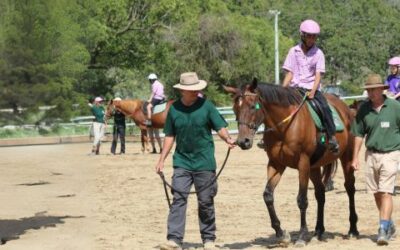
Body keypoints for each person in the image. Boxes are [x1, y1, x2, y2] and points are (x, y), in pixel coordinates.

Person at [155, 72, 236, 250]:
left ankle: (208, 239)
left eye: (197, 89)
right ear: (182, 90)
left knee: (206, 200)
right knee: (179, 199)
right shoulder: (174, 109)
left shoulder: (207, 107)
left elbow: (220, 127)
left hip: (204, 162)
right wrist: (162, 160)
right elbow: (169, 135)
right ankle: (174, 240)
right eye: (192, 90)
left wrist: (228, 139)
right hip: (182, 162)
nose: (196, 92)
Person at [351, 73, 400, 246]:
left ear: (381, 89)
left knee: (386, 192)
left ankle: (382, 230)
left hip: (391, 154)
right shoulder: (363, 109)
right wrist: (355, 157)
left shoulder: (395, 107)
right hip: (371, 154)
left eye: (374, 90)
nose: (371, 93)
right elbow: (358, 134)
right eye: (368, 90)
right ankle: (389, 224)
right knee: (377, 193)